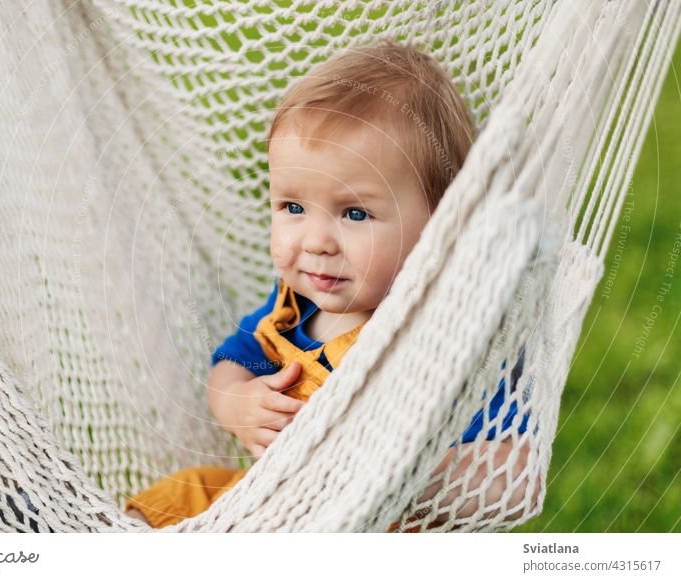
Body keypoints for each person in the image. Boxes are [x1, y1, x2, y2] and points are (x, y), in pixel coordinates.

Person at [125, 39, 535, 530]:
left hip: (373, 533)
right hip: (265, 513)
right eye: (293, 208)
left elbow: (518, 477)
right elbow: (231, 365)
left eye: (355, 213)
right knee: (178, 495)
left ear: (443, 222)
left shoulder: (448, 339)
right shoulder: (290, 313)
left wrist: (401, 477)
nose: (316, 241)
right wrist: (241, 404)